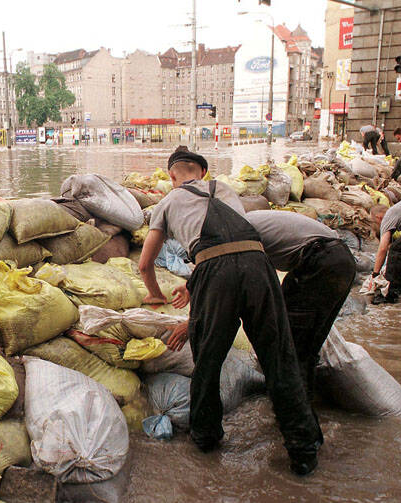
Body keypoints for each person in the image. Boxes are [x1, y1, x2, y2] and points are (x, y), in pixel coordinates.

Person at [138, 146, 322, 476]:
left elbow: (144, 263)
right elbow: (230, 242)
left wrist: (154, 294)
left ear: (171, 176)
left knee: (208, 361)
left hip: (215, 272)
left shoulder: (167, 202)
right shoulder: (224, 188)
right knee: (278, 359)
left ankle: (205, 440)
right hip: (258, 266)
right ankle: (304, 449)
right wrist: (195, 282)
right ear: (203, 173)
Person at [244, 210, 357, 402]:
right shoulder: (250, 221)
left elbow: (248, 280)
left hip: (319, 262)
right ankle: (302, 403)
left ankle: (294, 412)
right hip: (340, 260)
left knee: (292, 347)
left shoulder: (240, 231)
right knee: (308, 344)